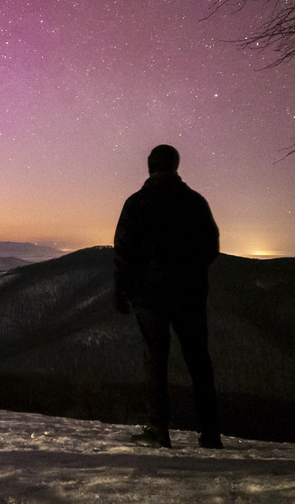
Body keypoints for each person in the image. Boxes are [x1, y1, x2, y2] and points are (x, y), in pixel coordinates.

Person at [113, 144, 223, 449]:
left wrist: (121, 290)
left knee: (155, 363)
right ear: (176, 165)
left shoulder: (136, 203)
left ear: (150, 167)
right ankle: (211, 434)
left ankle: (159, 432)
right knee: (199, 361)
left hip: (149, 297)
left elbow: (123, 252)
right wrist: (189, 271)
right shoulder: (194, 201)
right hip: (189, 293)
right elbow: (211, 247)